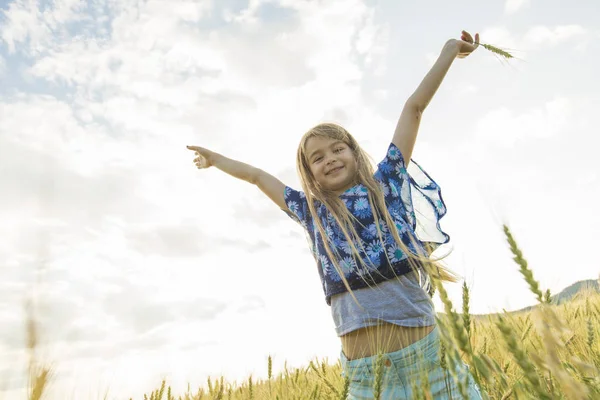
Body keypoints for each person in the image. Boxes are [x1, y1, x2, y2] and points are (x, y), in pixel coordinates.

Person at [188, 30, 484, 399]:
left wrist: (449, 52)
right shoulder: (310, 212)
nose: (329, 158)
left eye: (337, 148)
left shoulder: (386, 184)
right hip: (366, 380)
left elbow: (414, 108)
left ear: (353, 153)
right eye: (317, 157)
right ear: (309, 172)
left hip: (429, 364)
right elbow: (257, 177)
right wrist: (215, 160)